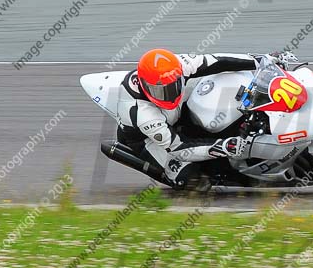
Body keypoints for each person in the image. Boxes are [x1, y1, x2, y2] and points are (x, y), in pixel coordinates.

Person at [116, 49, 291, 188]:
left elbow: (217, 61)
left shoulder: (176, 66)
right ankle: (177, 176)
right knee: (191, 179)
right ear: (145, 86)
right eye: (160, 91)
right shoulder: (142, 113)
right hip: (148, 139)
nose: (168, 94)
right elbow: (179, 149)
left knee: (216, 117)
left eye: (173, 86)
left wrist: (261, 60)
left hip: (175, 114)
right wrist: (224, 147)